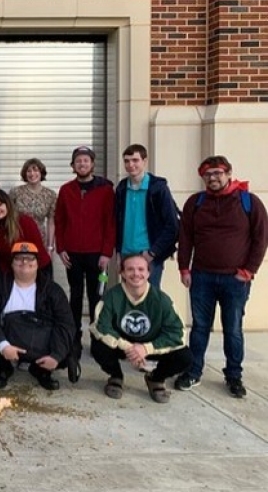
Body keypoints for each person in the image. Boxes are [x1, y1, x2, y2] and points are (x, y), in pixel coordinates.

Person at [175, 155, 268, 398]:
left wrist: (248, 271)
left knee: (233, 329)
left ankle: (234, 376)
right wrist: (184, 268)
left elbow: (261, 238)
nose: (213, 178)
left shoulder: (249, 202)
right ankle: (193, 371)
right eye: (208, 174)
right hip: (202, 277)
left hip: (235, 280)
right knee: (199, 328)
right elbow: (185, 238)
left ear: (228, 173)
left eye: (217, 173)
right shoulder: (196, 203)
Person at [90, 254, 192, 403]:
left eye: (141, 269)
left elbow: (178, 333)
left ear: (148, 273)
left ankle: (156, 379)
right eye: (130, 269)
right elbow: (100, 326)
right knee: (98, 346)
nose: (136, 273)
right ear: (122, 273)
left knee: (185, 357)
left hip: (151, 346)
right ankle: (116, 376)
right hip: (123, 346)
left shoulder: (161, 300)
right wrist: (129, 347)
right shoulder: (112, 296)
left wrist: (146, 348)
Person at [0, 242, 75, 391]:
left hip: (40, 345)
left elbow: (65, 323)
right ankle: (3, 369)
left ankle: (42, 370)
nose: (24, 262)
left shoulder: (53, 290)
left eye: (30, 258)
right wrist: (3, 346)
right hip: (9, 343)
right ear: (12, 263)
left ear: (37, 263)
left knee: (71, 346)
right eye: (19, 258)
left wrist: (56, 355)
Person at [55, 145, 115, 358]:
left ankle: (98, 340)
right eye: (78, 161)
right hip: (73, 254)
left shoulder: (106, 189)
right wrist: (60, 248)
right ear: (73, 166)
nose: (82, 164)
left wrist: (107, 252)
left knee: (97, 296)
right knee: (76, 296)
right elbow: (59, 220)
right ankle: (74, 340)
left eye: (86, 160)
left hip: (97, 255)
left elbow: (110, 222)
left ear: (92, 164)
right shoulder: (66, 190)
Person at [114, 144, 179, 289]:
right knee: (129, 300)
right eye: (127, 161)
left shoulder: (158, 188)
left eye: (135, 160)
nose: (131, 165)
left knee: (150, 301)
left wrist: (153, 252)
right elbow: (117, 222)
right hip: (126, 254)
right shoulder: (122, 188)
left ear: (144, 161)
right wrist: (118, 252)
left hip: (148, 256)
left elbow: (172, 226)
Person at [0, 189, 51, 278]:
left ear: (7, 205)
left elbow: (37, 250)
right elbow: (2, 258)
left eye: (0, 204)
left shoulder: (24, 221)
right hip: (12, 274)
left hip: (38, 269)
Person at [9, 158, 57, 258]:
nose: (32, 174)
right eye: (29, 171)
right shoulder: (15, 192)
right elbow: (9, 217)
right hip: (19, 238)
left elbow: (51, 222)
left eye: (35, 170)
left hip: (40, 239)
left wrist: (50, 246)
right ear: (25, 174)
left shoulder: (50, 195)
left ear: (41, 173)